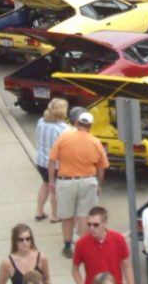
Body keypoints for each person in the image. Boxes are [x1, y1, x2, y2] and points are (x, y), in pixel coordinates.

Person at [49, 111, 109, 259]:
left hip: (66, 181)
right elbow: (101, 168)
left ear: (76, 123)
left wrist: (51, 180)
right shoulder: (95, 142)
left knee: (67, 217)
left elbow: (52, 160)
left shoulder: (64, 138)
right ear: (90, 126)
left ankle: (67, 246)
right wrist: (99, 184)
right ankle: (82, 247)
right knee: (84, 216)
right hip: (88, 181)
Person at [71, 206, 132, 284]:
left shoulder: (118, 239)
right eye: (89, 224)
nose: (92, 228)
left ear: (105, 223)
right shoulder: (81, 244)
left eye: (96, 225)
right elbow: (75, 270)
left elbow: (127, 266)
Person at [35, 98, 69, 222]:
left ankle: (39, 211)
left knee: (45, 184)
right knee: (54, 188)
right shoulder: (63, 128)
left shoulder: (41, 122)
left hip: (40, 161)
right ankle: (55, 215)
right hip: (55, 164)